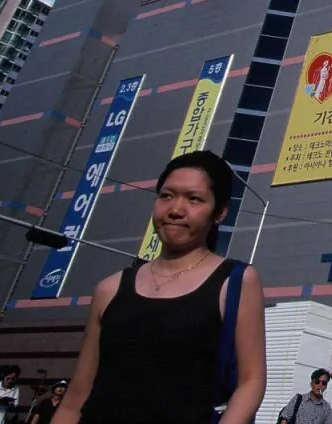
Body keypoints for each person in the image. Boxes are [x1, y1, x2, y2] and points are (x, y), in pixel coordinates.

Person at [53, 150, 267, 424]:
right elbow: (75, 399)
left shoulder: (236, 280)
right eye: (167, 195)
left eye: (194, 199)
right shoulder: (110, 288)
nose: (175, 209)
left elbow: (251, 382)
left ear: (220, 212)